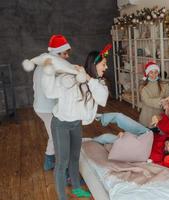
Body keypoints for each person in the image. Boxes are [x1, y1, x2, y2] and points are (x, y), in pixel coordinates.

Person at [41, 44, 111, 200]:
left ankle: (77, 189)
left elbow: (103, 99)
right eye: (104, 64)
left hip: (76, 124)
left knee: (74, 158)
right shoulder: (70, 78)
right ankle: (62, 198)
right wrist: (48, 73)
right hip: (61, 124)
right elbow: (50, 92)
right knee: (62, 162)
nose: (106, 67)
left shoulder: (99, 83)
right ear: (94, 64)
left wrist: (88, 78)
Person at [94, 112, 169, 170]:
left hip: (140, 147)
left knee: (105, 137)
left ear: (168, 154)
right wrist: (158, 118)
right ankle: (100, 117)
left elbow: (142, 160)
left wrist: (124, 138)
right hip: (147, 134)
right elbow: (165, 121)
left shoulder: (160, 160)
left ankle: (90, 141)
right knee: (120, 116)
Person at [33, 35, 71, 171]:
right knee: (58, 138)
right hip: (47, 108)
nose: (67, 56)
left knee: (54, 135)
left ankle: (49, 161)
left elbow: (35, 87)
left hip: (40, 107)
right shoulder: (53, 66)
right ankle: (64, 171)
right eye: (65, 53)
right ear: (57, 53)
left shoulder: (42, 64)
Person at [139, 61, 169, 127]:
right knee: (149, 135)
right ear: (147, 73)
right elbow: (147, 101)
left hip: (160, 116)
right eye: (151, 72)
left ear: (158, 73)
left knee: (160, 134)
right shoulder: (143, 87)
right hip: (147, 117)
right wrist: (161, 101)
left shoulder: (164, 85)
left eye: (156, 72)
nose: (154, 75)